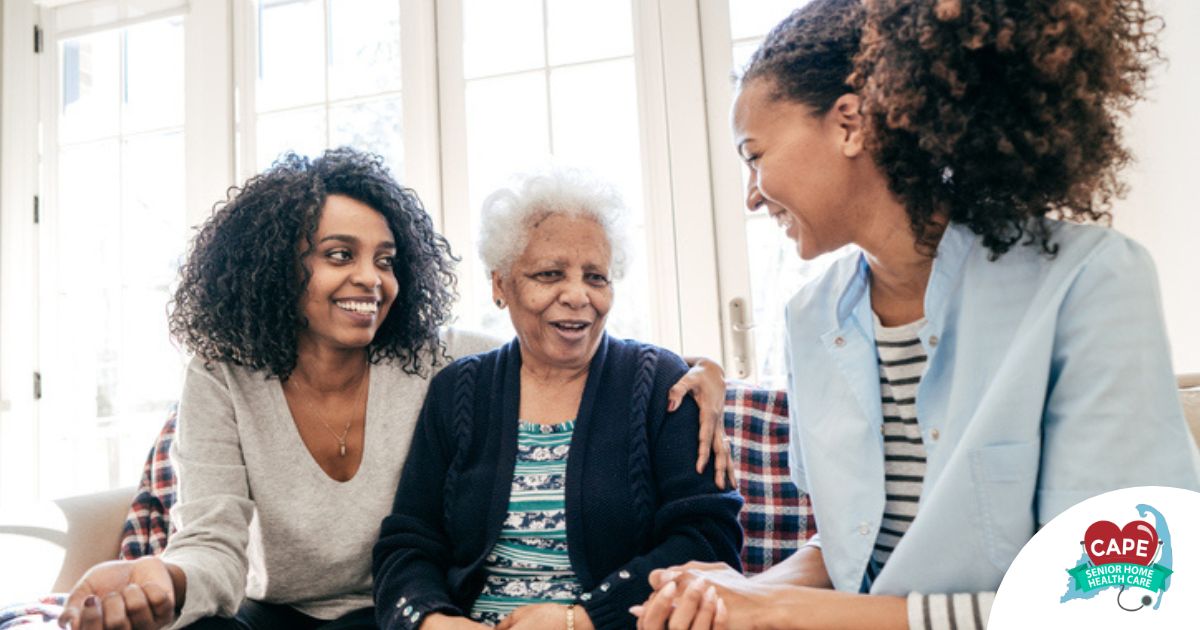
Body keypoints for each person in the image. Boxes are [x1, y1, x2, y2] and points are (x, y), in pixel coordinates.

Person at [635, 0, 1200, 628]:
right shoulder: (808, 317)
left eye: (755, 154)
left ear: (849, 124)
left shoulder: (1090, 282)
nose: (750, 195)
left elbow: (1125, 601)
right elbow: (857, 545)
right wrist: (737, 593)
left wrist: (789, 613)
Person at [56, 149, 729, 630]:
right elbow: (214, 547)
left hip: (381, 613)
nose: (371, 280)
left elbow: (563, 355)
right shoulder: (226, 376)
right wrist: (163, 579)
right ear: (274, 268)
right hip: (281, 611)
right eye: (338, 255)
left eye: (385, 260)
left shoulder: (436, 362)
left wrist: (704, 371)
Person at [371, 169, 744, 630]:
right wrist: (431, 620)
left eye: (596, 277)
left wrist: (583, 619)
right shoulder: (458, 390)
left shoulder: (662, 385)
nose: (577, 296)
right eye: (549, 275)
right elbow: (409, 542)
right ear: (499, 285)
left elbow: (708, 540)